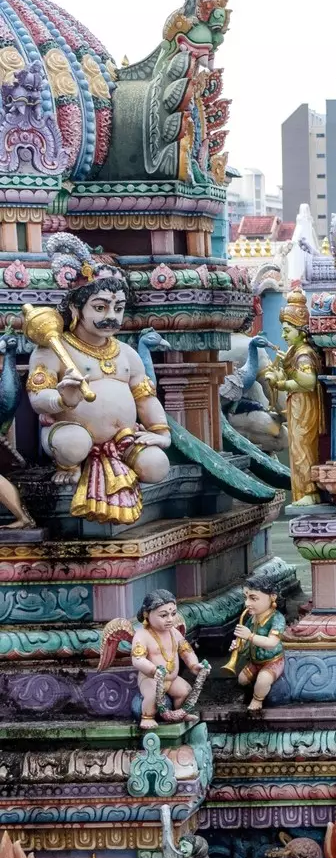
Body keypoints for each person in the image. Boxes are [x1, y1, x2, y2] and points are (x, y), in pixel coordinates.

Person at [24, 233, 172, 523]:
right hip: (69, 432)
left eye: (118, 308)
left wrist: (161, 433)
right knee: (73, 445)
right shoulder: (52, 350)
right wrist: (61, 399)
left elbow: (145, 397)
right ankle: (69, 466)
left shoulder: (127, 353)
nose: (112, 317)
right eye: (100, 307)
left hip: (123, 439)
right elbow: (37, 399)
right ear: (76, 309)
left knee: (157, 466)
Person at [261, 286, 324, 505]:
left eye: (288, 330)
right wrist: (275, 375)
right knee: (297, 447)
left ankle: (310, 491)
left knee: (302, 447)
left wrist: (282, 380)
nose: (283, 334)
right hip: (296, 403)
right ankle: (303, 491)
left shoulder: (304, 354)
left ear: (300, 330)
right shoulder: (292, 351)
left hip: (305, 404)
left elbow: (308, 382)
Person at [127, 589, 207, 731]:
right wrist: (153, 670)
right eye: (163, 615)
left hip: (171, 678)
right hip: (150, 678)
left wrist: (194, 665)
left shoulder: (174, 632)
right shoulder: (142, 635)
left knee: (185, 690)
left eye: (173, 614)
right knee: (151, 695)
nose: (170, 619)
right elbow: (137, 659)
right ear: (147, 614)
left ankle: (180, 713)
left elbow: (186, 651)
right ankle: (147, 717)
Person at [227, 568, 289, 712]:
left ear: (272, 597)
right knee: (242, 679)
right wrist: (239, 645)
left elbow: (271, 643)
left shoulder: (276, 618)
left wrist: (249, 636)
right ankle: (252, 692)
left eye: (253, 598)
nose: (247, 603)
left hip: (272, 661)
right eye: (246, 598)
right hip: (255, 662)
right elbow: (247, 644)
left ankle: (257, 700)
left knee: (263, 681)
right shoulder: (252, 618)